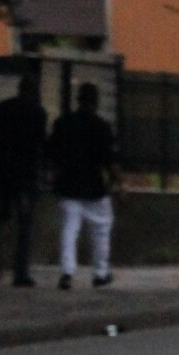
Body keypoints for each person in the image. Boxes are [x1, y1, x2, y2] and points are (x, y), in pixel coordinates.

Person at [46, 82, 118, 290]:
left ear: (78, 100)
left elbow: (51, 152)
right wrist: (117, 181)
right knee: (101, 229)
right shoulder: (101, 126)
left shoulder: (63, 123)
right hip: (93, 186)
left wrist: (55, 172)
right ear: (95, 102)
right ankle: (100, 273)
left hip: (68, 184)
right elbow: (107, 158)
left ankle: (67, 273)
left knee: (69, 230)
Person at [0, 78, 47, 285]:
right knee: (24, 224)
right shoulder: (38, 113)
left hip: (3, 171)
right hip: (26, 174)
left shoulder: (2, 109)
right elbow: (40, 143)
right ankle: (20, 272)